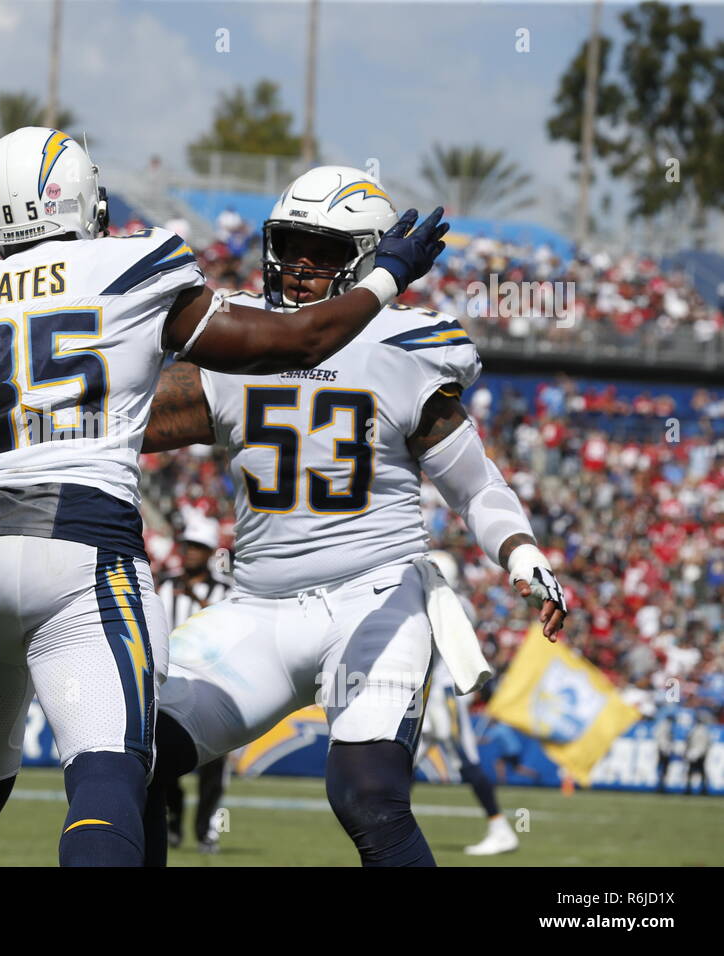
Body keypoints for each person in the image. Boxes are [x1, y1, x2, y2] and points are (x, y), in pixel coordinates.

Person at [0, 129, 449, 867]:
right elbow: (294, 344)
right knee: (110, 773)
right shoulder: (130, 265)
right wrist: (388, 275)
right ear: (81, 195)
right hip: (78, 541)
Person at [140, 165, 567, 866]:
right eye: (291, 243)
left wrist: (522, 554)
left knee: (367, 795)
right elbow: (116, 421)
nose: (300, 266)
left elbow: (475, 485)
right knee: (130, 760)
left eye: (326, 249)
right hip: (258, 610)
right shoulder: (238, 343)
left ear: (369, 258)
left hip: (375, 600)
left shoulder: (403, 349)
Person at [415, 551, 517, 855]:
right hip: (427, 696)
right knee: (401, 765)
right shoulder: (452, 602)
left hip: (445, 695)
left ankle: (501, 829)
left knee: (466, 760)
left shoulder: (453, 604)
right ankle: (389, 833)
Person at [156, 515, 231, 853]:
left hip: (212, 687)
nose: (190, 553)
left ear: (211, 551)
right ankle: (171, 826)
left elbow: (224, 632)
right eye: (187, 546)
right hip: (167, 682)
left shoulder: (225, 591)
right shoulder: (164, 584)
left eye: (198, 548)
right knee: (163, 762)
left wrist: (199, 601)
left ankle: (206, 832)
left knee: (213, 770)